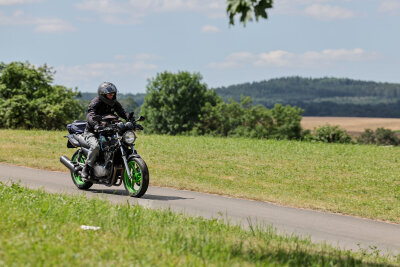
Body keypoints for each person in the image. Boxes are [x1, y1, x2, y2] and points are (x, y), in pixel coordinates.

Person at [81, 82, 129, 178]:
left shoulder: (114, 102)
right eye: (109, 94)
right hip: (92, 132)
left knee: (120, 144)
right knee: (95, 147)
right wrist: (96, 125)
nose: (111, 96)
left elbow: (122, 112)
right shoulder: (96, 102)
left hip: (108, 131)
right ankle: (87, 167)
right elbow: (90, 115)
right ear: (102, 94)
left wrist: (131, 119)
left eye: (113, 94)